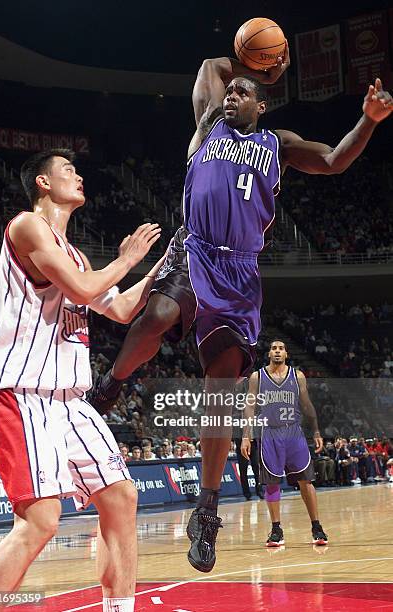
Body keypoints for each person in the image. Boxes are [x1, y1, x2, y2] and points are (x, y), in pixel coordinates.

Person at [89, 47, 393, 570]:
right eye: (232, 91)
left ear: (262, 107)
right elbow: (210, 67)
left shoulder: (278, 145)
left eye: (244, 92)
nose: (232, 94)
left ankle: (206, 511)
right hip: (195, 250)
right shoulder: (210, 124)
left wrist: (368, 120)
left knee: (220, 395)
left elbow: (334, 160)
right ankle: (113, 384)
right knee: (158, 317)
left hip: (241, 275)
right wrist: (258, 67)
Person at [0, 149, 162, 612]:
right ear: (43, 183)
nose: (79, 175)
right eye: (68, 169)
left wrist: (166, 267)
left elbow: (121, 309)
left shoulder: (76, 255)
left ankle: (119, 608)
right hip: (21, 394)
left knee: (122, 497)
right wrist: (128, 258)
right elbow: (84, 290)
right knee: (42, 520)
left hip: (70, 401)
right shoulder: (26, 226)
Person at [241, 340, 328, 547]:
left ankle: (317, 527)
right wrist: (246, 434)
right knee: (272, 482)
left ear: (286, 354)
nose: (277, 351)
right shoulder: (257, 377)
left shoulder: (297, 376)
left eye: (281, 348)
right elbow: (249, 406)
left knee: (306, 481)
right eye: (274, 348)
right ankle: (276, 530)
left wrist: (316, 430)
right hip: (269, 433)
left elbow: (306, 405)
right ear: (269, 353)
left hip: (293, 432)